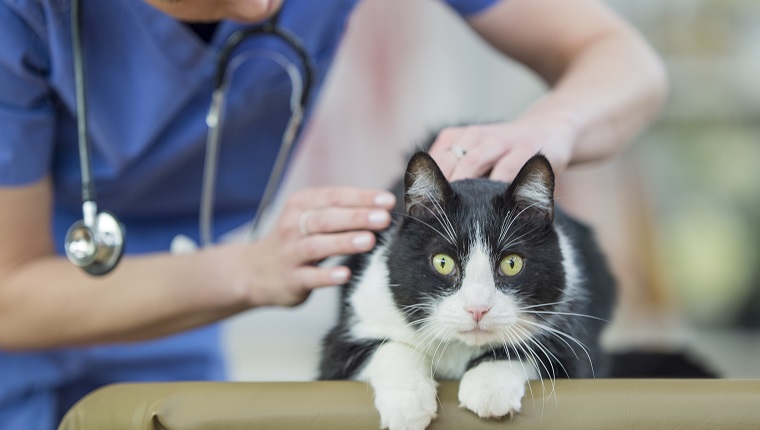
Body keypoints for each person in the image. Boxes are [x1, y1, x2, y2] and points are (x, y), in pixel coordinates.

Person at [0, 0, 667, 428]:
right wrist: (249, 273)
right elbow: (8, 295)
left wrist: (555, 126)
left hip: (173, 337)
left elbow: (627, 62)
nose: (265, 7)